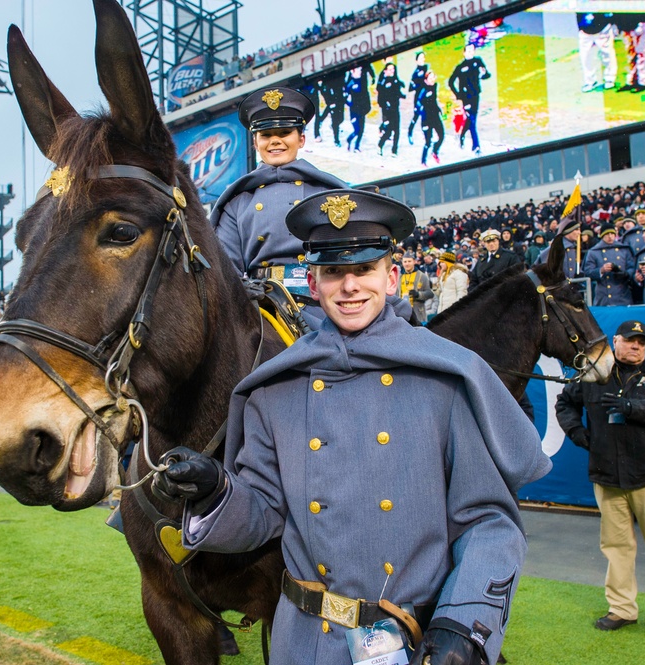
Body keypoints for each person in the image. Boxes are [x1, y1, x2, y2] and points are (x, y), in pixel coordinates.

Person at [154, 189, 551, 665]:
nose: (349, 286)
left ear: (392, 276)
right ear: (313, 282)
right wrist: (217, 490)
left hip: (413, 643)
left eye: (363, 269)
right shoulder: (275, 387)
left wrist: (463, 625)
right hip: (303, 644)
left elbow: (489, 522)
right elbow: (263, 510)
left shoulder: (445, 378)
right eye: (333, 272)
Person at [555, 320, 645, 645]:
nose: (636, 347)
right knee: (617, 548)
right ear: (616, 341)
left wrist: (634, 407)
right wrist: (578, 434)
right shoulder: (594, 374)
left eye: (642, 342)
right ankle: (622, 608)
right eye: (630, 341)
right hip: (607, 476)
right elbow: (564, 403)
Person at [209, 87, 347, 292]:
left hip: (325, 301)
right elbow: (225, 273)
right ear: (255, 143)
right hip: (260, 304)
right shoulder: (236, 202)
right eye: (266, 134)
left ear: (301, 139)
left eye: (285, 133)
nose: (275, 140)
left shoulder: (330, 194)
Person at [447, 41, 489, 154]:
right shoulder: (460, 67)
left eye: (472, 50)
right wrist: (458, 95)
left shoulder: (478, 61)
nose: (471, 52)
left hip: (476, 95)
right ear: (464, 53)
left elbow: (486, 75)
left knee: (471, 120)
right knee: (472, 120)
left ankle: (461, 135)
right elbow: (450, 82)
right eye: (468, 50)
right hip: (466, 97)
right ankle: (476, 146)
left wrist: (484, 73)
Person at [583, 225, 634, 305]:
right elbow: (588, 271)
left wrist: (625, 274)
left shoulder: (624, 249)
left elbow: (632, 268)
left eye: (612, 234)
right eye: (607, 234)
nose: (610, 236)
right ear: (602, 236)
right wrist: (601, 270)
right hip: (604, 295)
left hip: (623, 295)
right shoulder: (593, 251)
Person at [577, 12, 617, 92]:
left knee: (607, 55)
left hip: (603, 29)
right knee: (585, 57)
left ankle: (610, 79)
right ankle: (590, 81)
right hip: (585, 30)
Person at [376, 62, 405, 157]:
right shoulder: (383, 83)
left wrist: (402, 95)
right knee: (388, 131)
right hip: (387, 111)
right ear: (385, 71)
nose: (392, 71)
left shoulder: (395, 80)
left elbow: (397, 92)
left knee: (397, 130)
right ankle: (380, 145)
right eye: (390, 69)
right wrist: (385, 107)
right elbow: (380, 99)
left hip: (395, 109)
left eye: (393, 69)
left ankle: (394, 150)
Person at [416, 70, 445, 166]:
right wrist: (422, 111)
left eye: (434, 77)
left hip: (435, 116)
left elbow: (433, 100)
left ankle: (435, 151)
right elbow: (419, 102)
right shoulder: (423, 90)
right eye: (430, 78)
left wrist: (439, 109)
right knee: (428, 141)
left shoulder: (434, 87)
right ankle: (423, 161)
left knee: (441, 136)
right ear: (426, 80)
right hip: (426, 119)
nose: (432, 79)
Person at [398, 254, 433, 324]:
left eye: (409, 261)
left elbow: (430, 294)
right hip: (403, 313)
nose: (407, 264)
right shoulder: (399, 277)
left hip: (418, 312)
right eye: (405, 262)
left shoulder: (422, 276)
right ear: (402, 263)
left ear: (414, 262)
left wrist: (418, 294)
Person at [344, 66, 372, 152]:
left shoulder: (362, 81)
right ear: (352, 72)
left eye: (360, 70)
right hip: (354, 111)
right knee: (357, 130)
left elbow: (366, 94)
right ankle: (349, 139)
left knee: (361, 130)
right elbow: (345, 97)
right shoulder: (350, 83)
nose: (360, 72)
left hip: (362, 110)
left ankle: (356, 147)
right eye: (358, 70)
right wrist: (351, 104)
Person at [406, 51, 428, 144]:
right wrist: (417, 85)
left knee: (426, 116)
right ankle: (410, 132)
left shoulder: (427, 68)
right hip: (419, 97)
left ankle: (426, 135)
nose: (422, 59)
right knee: (416, 115)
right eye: (420, 58)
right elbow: (411, 88)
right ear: (416, 60)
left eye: (423, 57)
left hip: (427, 96)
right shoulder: (415, 73)